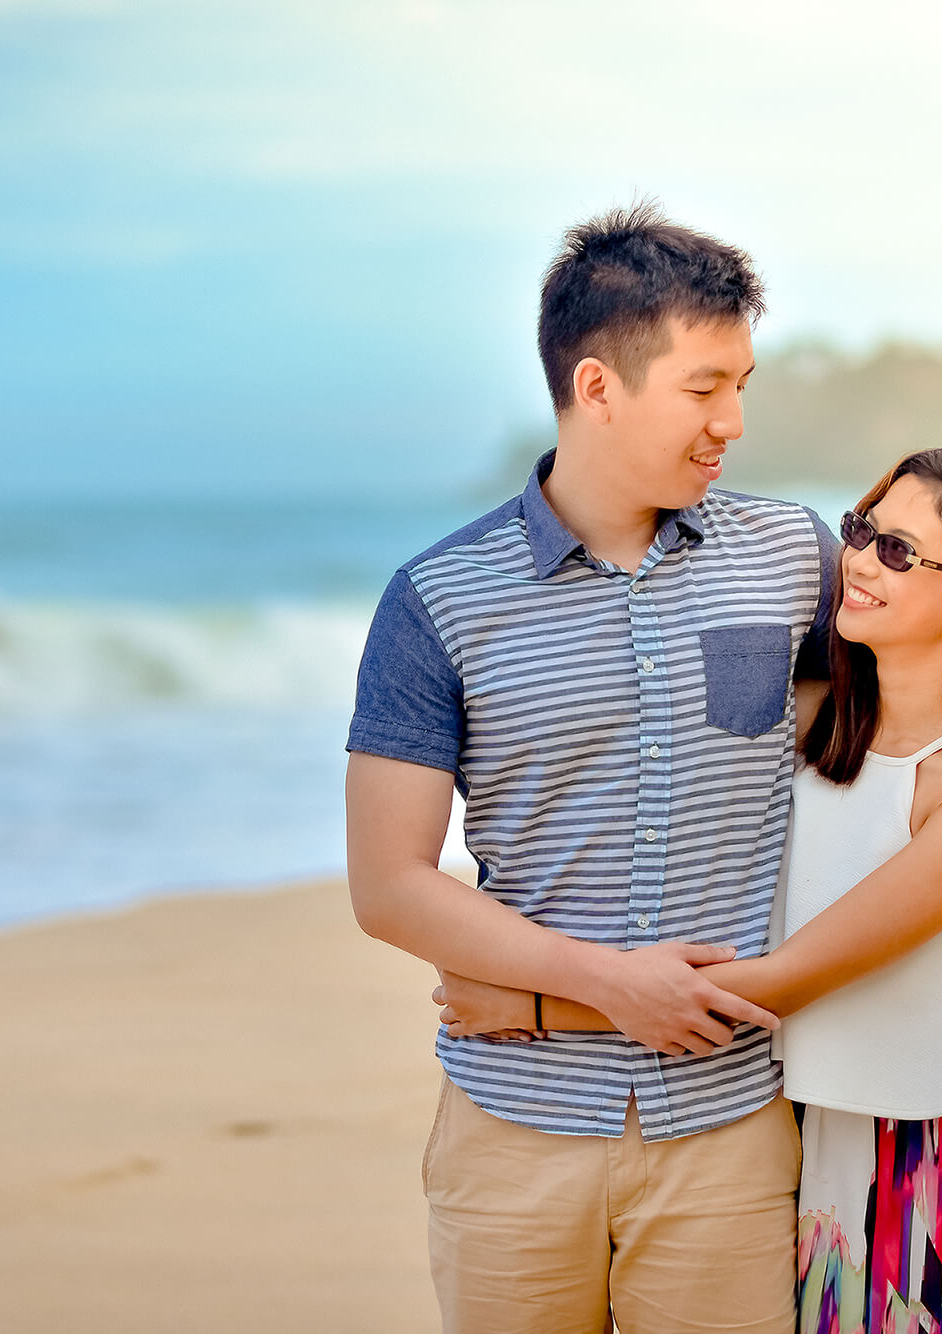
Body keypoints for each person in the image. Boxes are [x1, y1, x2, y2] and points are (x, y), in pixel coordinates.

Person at [437, 448, 942, 1333]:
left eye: (900, 552)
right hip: (801, 1140)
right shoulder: (818, 728)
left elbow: (785, 984)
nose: (855, 561)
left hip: (918, 1172)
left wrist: (531, 1004)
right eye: (861, 530)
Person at [345, 202, 837, 1334]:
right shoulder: (435, 600)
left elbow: (879, 768)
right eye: (704, 387)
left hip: (730, 1126)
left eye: (742, 383)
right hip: (512, 1132)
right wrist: (608, 983)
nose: (734, 421)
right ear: (598, 385)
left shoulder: (793, 558)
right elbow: (390, 884)